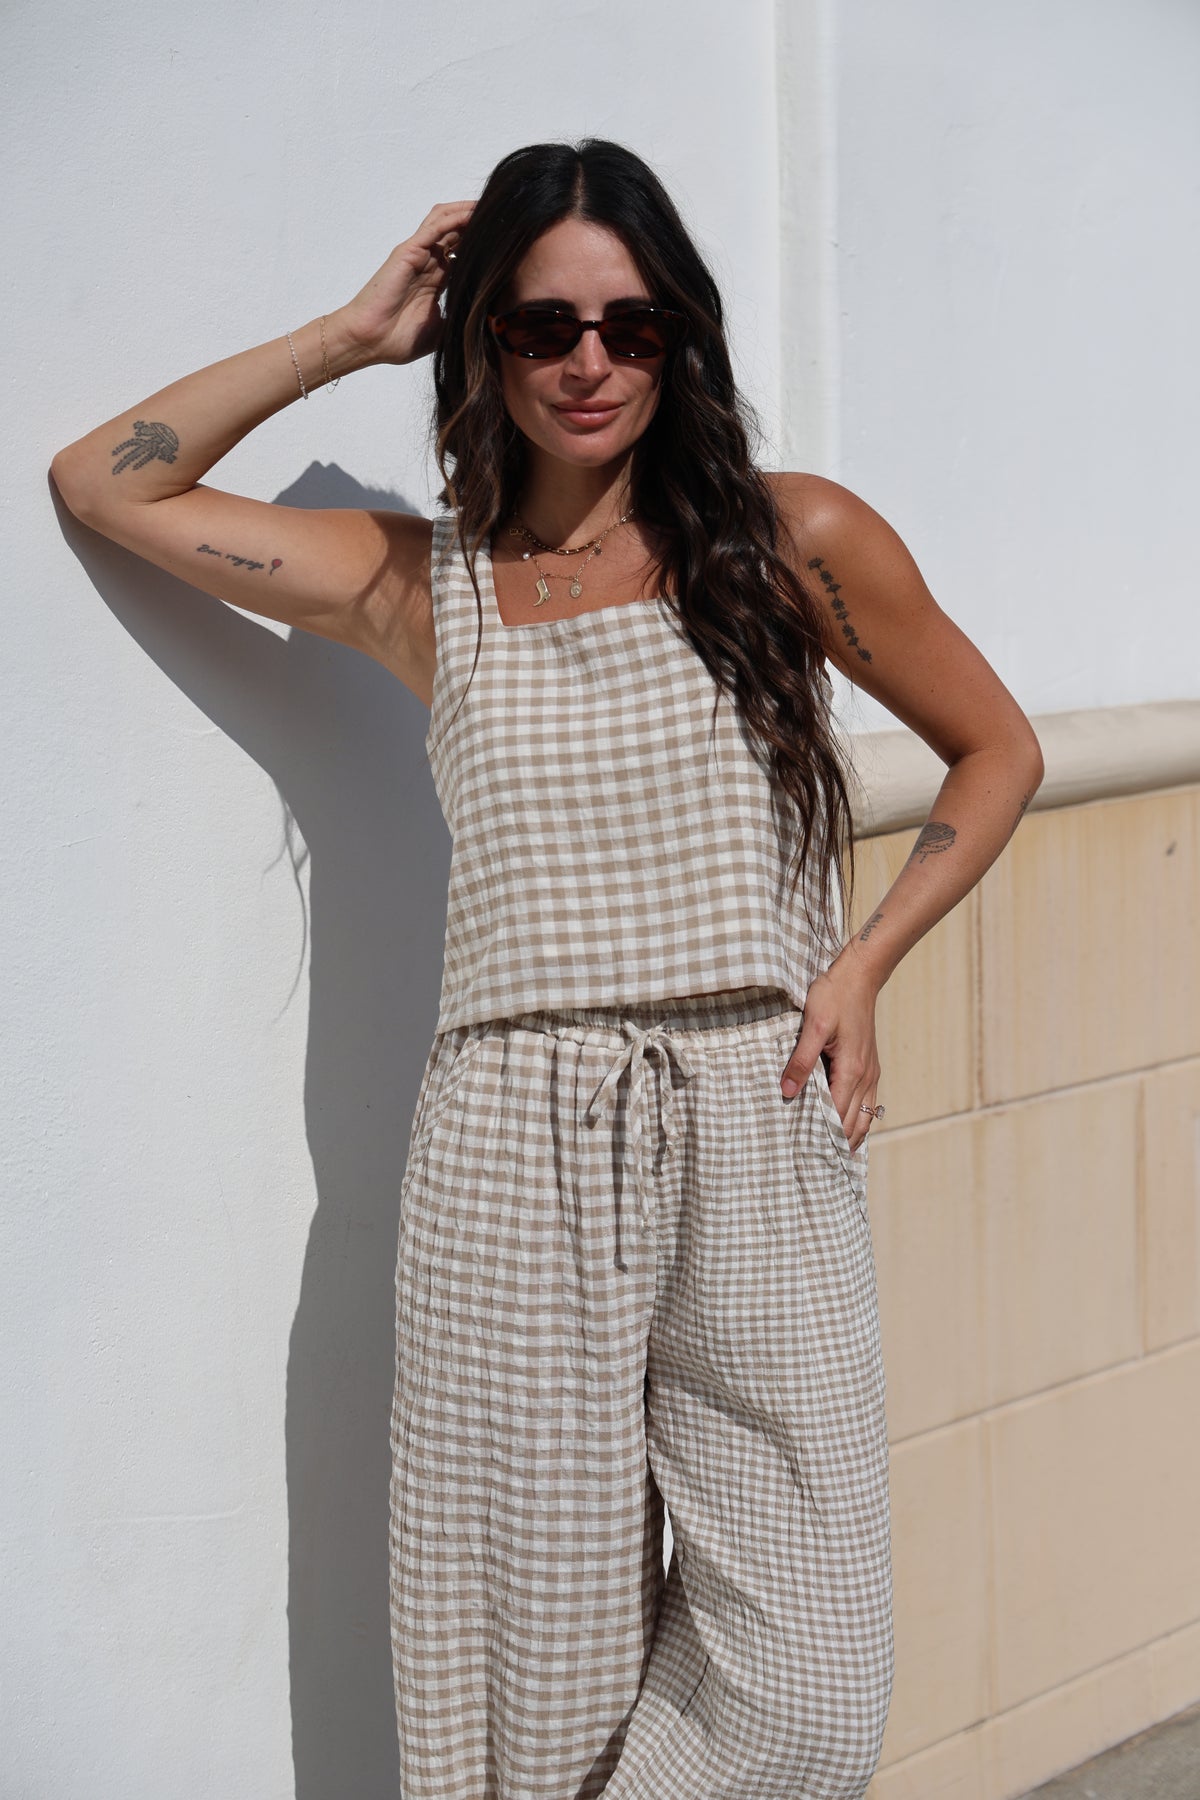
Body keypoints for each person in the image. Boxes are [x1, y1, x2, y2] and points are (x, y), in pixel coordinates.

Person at [50, 138, 1043, 1800]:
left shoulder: (793, 543)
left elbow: (994, 751)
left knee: (806, 1668)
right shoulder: (413, 584)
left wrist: (863, 962)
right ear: (483, 347)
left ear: (681, 342)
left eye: (633, 328)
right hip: (512, 1142)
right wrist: (345, 336)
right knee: (530, 1651)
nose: (591, 363)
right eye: (542, 328)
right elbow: (106, 484)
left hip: (756, 1102)